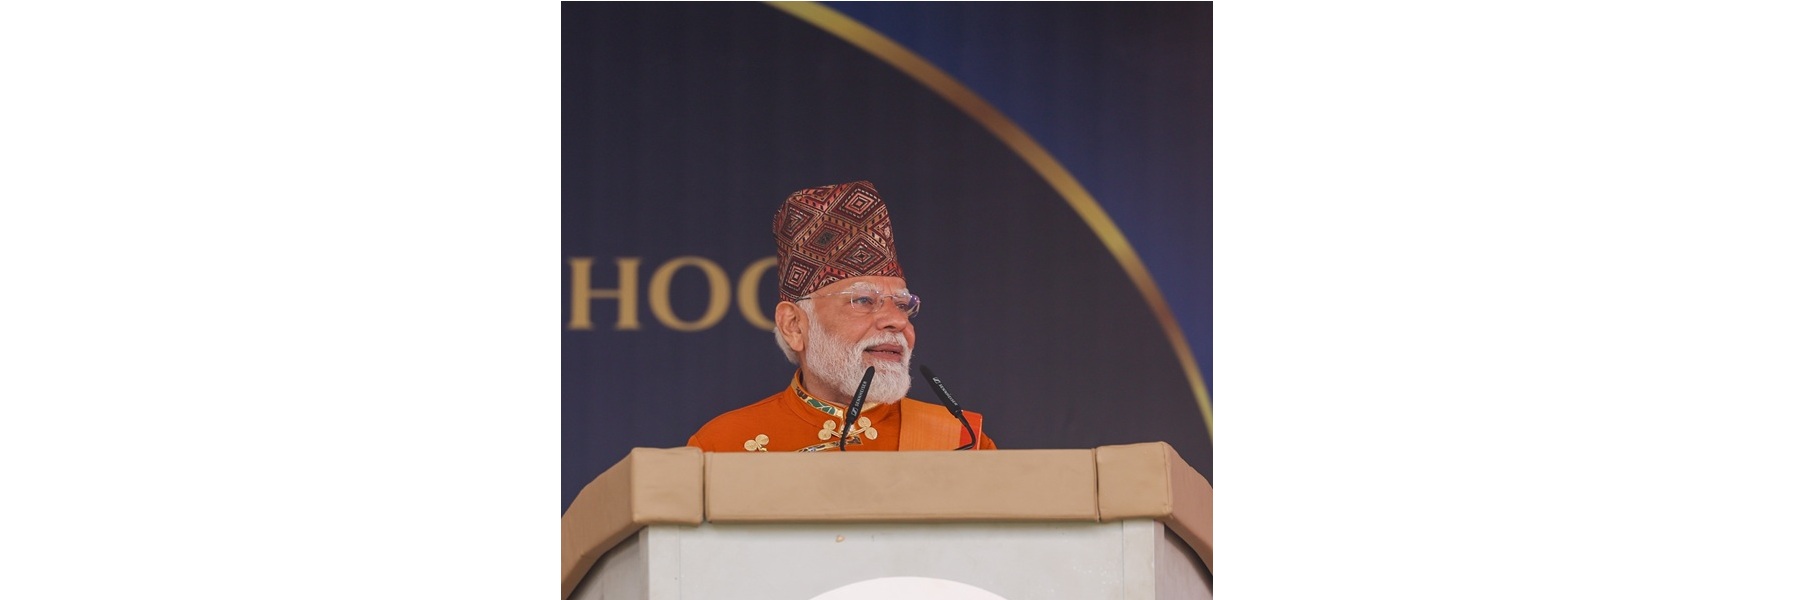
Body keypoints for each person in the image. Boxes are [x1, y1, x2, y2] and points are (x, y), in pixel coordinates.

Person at [687, 181, 997, 452]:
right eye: (864, 301)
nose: (898, 321)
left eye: (902, 305)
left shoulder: (963, 441)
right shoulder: (724, 445)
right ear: (794, 326)